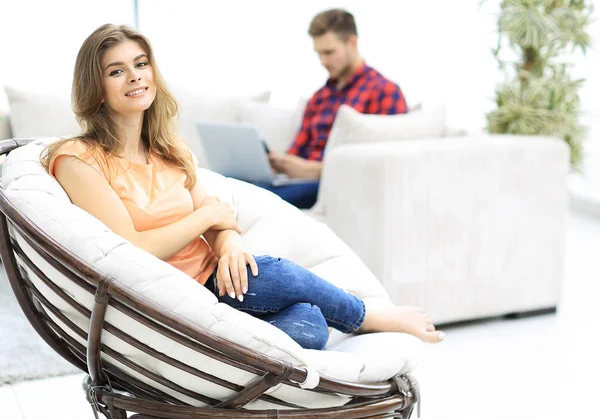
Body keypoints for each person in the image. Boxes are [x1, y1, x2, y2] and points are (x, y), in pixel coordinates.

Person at [41, 24, 443, 350]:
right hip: (172, 301)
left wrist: (230, 244)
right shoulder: (78, 159)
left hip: (218, 286)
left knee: (310, 325)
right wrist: (206, 216)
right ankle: (370, 318)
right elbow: (130, 249)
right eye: (116, 70)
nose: (134, 76)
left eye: (141, 64)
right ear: (96, 87)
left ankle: (226, 339)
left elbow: (221, 220)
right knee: (277, 274)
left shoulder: (169, 151)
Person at [260, 8, 409, 209]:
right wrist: (280, 163)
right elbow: (296, 149)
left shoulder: (384, 92)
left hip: (332, 184)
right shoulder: (318, 98)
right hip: (297, 181)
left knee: (257, 198)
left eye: (329, 52)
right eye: (319, 53)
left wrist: (314, 170)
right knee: (232, 185)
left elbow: (382, 165)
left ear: (352, 43)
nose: (323, 61)